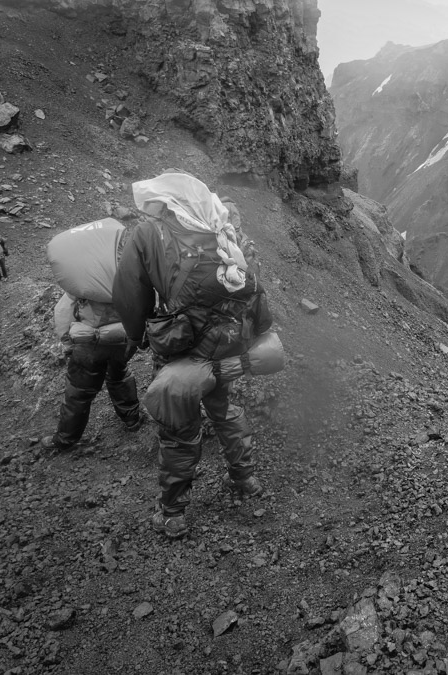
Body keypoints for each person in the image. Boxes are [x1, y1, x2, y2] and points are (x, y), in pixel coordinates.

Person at [113, 172, 271, 539]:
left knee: (179, 428)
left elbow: (128, 292)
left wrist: (137, 336)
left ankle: (173, 514)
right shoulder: (226, 231)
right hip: (226, 344)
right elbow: (253, 287)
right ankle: (246, 478)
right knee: (224, 406)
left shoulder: (148, 233)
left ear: (167, 202)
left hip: (180, 348)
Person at [41, 297, 142, 451]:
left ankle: (65, 439)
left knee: (79, 391)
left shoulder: (83, 279)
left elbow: (63, 310)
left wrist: (67, 342)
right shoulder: (126, 275)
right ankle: (132, 419)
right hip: (122, 337)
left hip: (89, 341)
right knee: (118, 374)